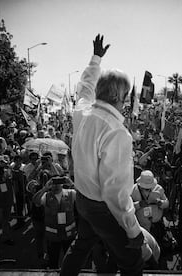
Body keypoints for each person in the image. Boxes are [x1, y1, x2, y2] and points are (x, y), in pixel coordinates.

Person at [60, 34, 144, 276]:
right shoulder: (116, 132)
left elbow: (85, 86)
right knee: (131, 259)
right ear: (120, 96)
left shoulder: (82, 110)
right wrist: (133, 229)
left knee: (82, 244)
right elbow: (115, 191)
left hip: (83, 198)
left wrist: (96, 59)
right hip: (101, 206)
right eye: (127, 94)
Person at [32, 175, 76, 268]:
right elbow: (36, 201)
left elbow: (84, 196)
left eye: (59, 182)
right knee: (53, 262)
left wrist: (71, 184)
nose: (56, 185)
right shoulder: (46, 196)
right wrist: (44, 188)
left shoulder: (71, 193)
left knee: (70, 261)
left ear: (62, 183)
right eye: (53, 183)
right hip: (53, 237)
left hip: (68, 235)